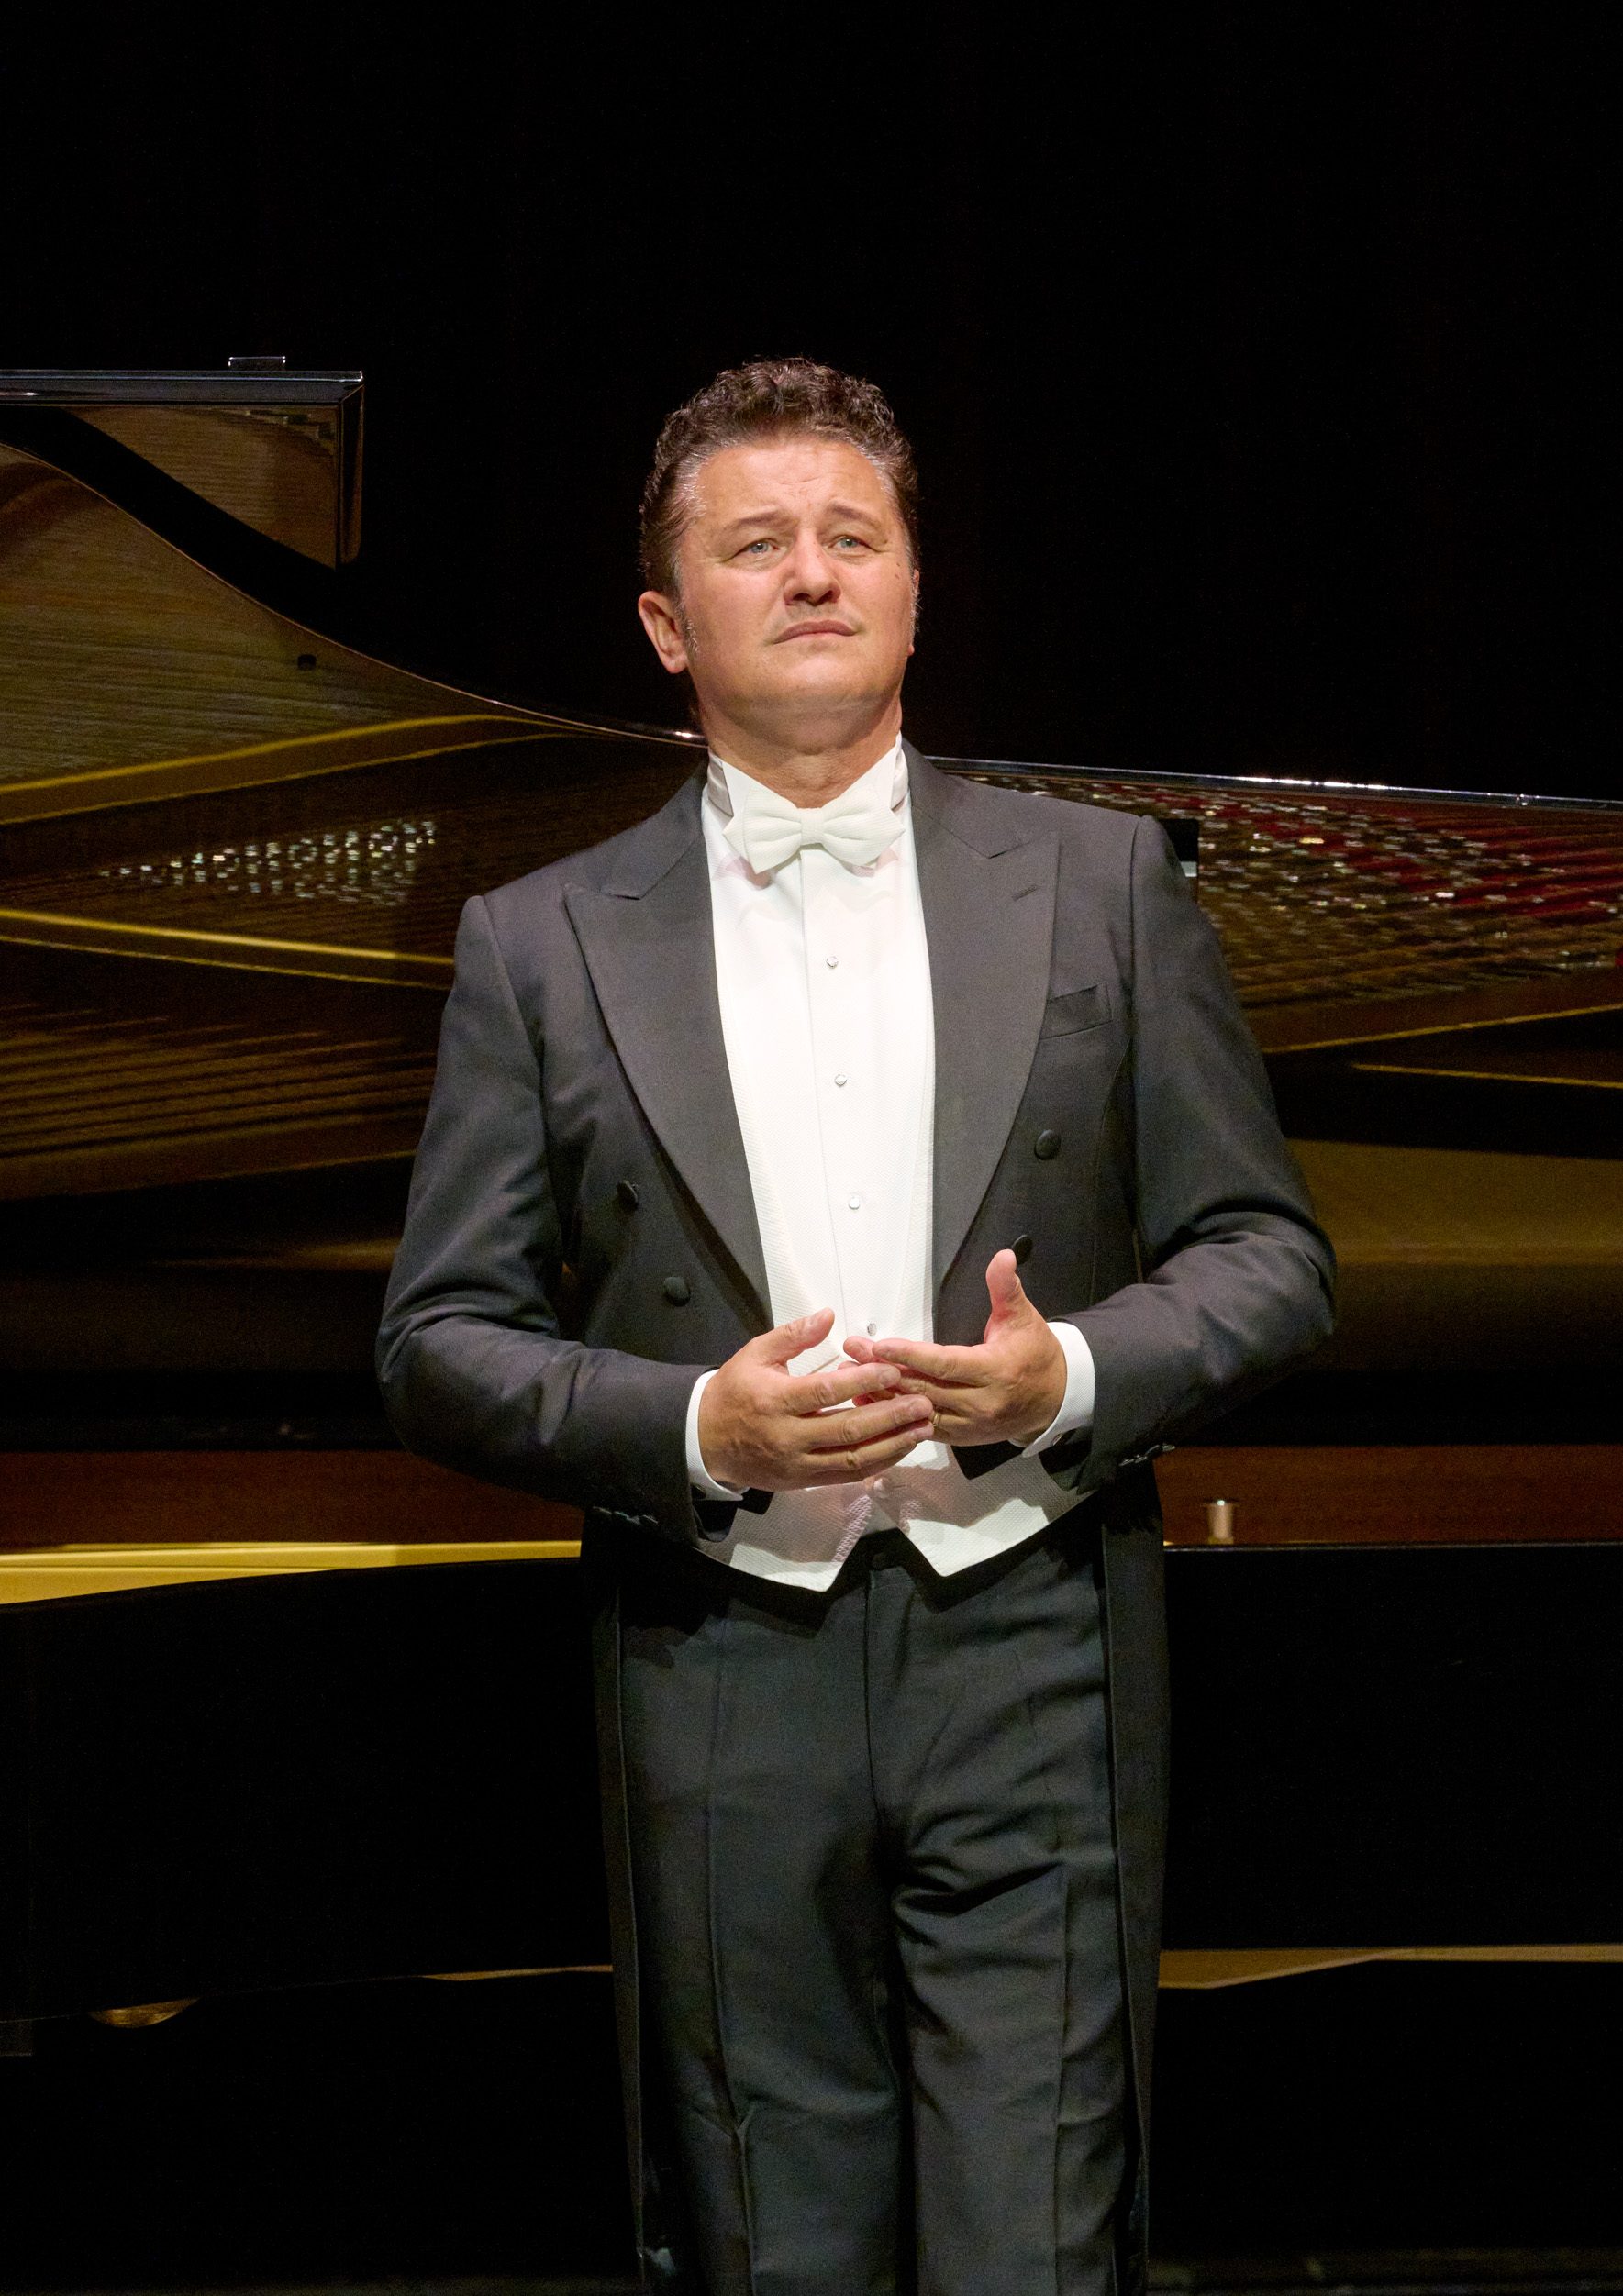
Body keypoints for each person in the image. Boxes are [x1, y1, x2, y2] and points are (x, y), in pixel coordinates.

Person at [377, 358, 1335, 2296]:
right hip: (723, 1657)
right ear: (668, 624)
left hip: (1032, 1640)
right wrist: (694, 1428)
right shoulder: (538, 938)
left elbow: (1269, 1255)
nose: (811, 573)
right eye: (756, 544)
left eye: (851, 536)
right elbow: (439, 1335)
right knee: (772, 2245)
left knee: (1034, 2247)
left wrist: (1064, 1374)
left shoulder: (1103, 883)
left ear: (913, 588)